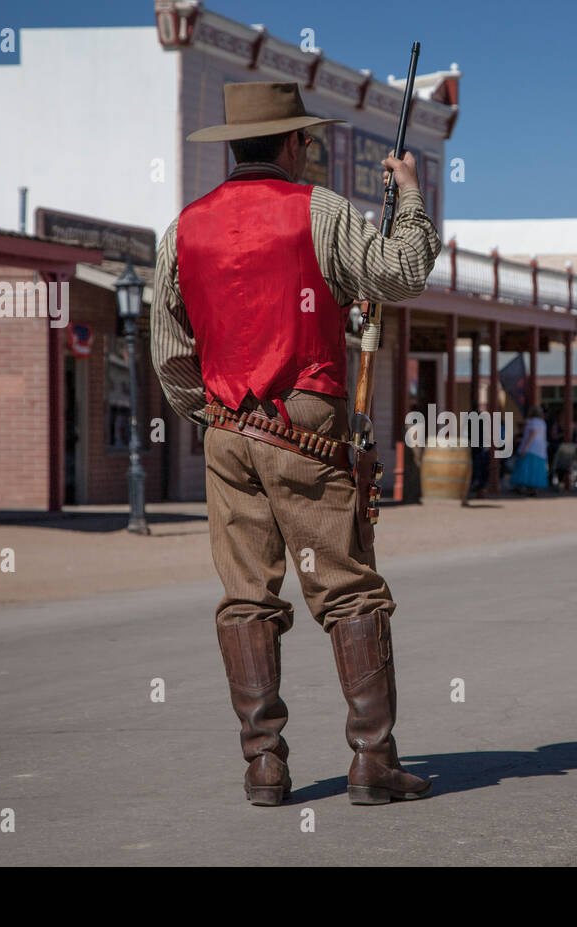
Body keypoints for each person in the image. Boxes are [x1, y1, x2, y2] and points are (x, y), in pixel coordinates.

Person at [150, 82, 441, 806]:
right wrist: (408, 195)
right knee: (347, 591)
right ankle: (372, 763)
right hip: (307, 428)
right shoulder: (321, 209)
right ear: (291, 144)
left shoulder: (182, 228)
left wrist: (215, 417)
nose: (308, 150)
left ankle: (264, 767)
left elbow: (169, 350)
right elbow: (401, 275)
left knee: (245, 596)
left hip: (225, 434)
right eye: (305, 140)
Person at [511, 406, 549, 494]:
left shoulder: (532, 422)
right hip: (540, 450)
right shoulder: (542, 423)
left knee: (526, 468)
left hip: (531, 448)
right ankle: (533, 488)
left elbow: (532, 434)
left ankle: (523, 487)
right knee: (537, 469)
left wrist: (525, 447)